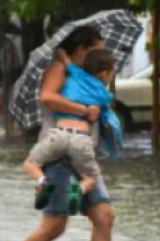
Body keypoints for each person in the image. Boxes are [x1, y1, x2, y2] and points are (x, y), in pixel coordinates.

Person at [0, 26, 115, 241]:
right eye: (98, 49)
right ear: (81, 49)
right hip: (59, 155)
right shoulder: (59, 68)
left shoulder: (87, 77)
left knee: (104, 216)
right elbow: (48, 97)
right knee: (54, 225)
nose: (102, 54)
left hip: (83, 154)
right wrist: (84, 110)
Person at [23, 48, 116, 214]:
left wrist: (62, 54)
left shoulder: (75, 75)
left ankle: (43, 182)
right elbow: (96, 118)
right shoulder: (104, 95)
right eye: (111, 74)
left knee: (30, 163)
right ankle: (78, 190)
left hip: (58, 135)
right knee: (90, 178)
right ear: (104, 74)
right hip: (82, 140)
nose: (111, 78)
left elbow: (67, 62)